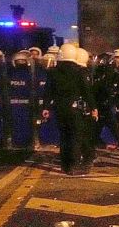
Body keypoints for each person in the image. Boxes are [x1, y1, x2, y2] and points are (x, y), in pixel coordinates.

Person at [41, 44, 98, 174]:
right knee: (75, 137)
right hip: (75, 108)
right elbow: (86, 91)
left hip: (59, 108)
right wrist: (93, 107)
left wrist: (45, 107)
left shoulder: (53, 71)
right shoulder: (79, 71)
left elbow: (48, 91)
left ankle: (65, 165)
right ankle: (74, 165)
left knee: (64, 137)